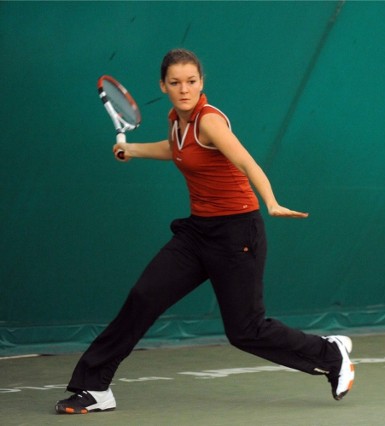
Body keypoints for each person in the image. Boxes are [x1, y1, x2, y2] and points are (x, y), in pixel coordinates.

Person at [55, 48, 354, 414]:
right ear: (163, 85)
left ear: (201, 83)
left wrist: (271, 201)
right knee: (144, 296)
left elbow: (245, 160)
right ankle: (94, 388)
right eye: (176, 83)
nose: (184, 90)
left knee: (246, 331)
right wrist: (132, 150)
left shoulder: (209, 121)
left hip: (237, 233)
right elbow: (177, 150)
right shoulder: (175, 120)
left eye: (192, 82)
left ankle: (331, 354)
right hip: (197, 234)